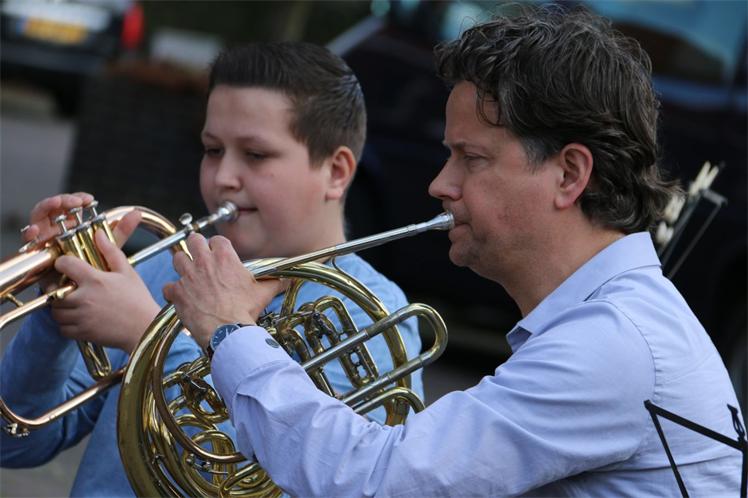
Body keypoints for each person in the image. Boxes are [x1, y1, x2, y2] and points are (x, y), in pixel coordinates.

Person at [164, 7, 744, 497]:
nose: (441, 184)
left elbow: (375, 481)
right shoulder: (614, 321)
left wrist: (230, 333)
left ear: (569, 175)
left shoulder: (612, 342)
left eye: (472, 158)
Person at [0, 42, 423, 496]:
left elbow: (311, 481)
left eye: (255, 155)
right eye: (212, 149)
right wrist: (59, 311)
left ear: (336, 172)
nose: (223, 177)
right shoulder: (166, 267)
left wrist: (146, 337)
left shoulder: (374, 316)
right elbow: (16, 443)